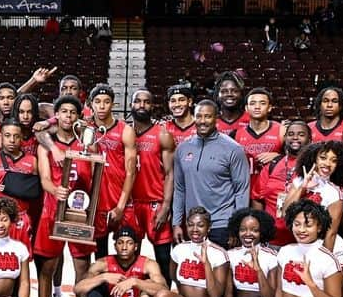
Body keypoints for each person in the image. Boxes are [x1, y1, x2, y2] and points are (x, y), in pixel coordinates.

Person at [34, 95, 95, 297]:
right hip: (53, 211)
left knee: (82, 267)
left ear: (77, 116)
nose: (68, 116)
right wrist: (55, 191)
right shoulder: (46, 146)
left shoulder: (87, 143)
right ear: (56, 116)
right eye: (64, 112)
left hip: (80, 214)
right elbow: (45, 179)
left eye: (72, 112)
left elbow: (94, 177)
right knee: (47, 267)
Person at [173, 100, 251, 247]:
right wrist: (176, 223)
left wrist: (236, 227)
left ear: (216, 119)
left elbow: (241, 191)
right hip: (193, 226)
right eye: (199, 116)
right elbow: (179, 189)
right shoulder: (182, 148)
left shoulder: (233, 149)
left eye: (207, 116)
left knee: (221, 270)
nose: (202, 121)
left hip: (222, 225)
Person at [126, 89, 176, 282]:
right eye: (137, 101)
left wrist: (166, 206)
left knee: (163, 257)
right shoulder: (123, 132)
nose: (141, 105)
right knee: (128, 254)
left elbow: (170, 173)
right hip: (130, 202)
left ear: (152, 106)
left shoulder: (162, 135)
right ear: (131, 104)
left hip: (154, 202)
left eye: (146, 102)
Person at [86, 84, 137, 256]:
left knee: (126, 250)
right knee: (100, 253)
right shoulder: (85, 128)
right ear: (90, 104)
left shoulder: (125, 130)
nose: (102, 106)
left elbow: (131, 172)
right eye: (98, 102)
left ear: (113, 104)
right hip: (97, 200)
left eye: (106, 102)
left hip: (120, 198)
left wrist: (121, 206)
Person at [0, 119, 38, 248]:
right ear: (0, 136)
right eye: (7, 135)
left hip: (20, 220)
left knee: (19, 262)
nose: (12, 140)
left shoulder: (33, 161)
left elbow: (35, 194)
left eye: (16, 136)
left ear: (21, 138)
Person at [251, 121, 310, 246]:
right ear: (284, 138)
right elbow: (257, 198)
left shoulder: (313, 167)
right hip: (271, 239)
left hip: (301, 240)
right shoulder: (272, 164)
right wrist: (260, 228)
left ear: (309, 140)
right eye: (291, 134)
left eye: (301, 134)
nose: (295, 137)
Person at [282, 140, 343, 252]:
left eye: (333, 160)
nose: (328, 163)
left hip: (326, 248)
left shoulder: (335, 192)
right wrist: (303, 187)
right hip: (302, 244)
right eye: (323, 158)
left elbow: (331, 234)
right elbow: (285, 213)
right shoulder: (298, 182)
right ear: (313, 159)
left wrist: (324, 261)